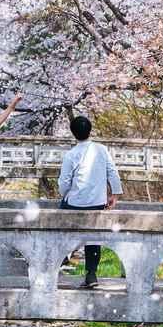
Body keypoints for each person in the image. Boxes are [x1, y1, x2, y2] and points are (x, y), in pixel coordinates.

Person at [57, 115, 122, 289]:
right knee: (94, 236)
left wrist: (64, 194)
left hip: (75, 204)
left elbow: (64, 183)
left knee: (61, 222)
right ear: (90, 130)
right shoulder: (101, 149)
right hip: (97, 202)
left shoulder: (71, 154)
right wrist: (115, 194)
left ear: (73, 133)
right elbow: (112, 172)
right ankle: (91, 274)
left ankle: (63, 255)